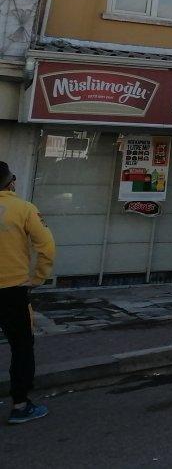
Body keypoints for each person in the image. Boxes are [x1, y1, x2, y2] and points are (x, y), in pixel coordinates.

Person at [0, 162, 55, 425]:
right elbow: (47, 246)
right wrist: (37, 277)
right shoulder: (23, 208)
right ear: (10, 182)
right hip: (12, 290)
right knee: (21, 346)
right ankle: (20, 405)